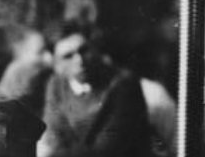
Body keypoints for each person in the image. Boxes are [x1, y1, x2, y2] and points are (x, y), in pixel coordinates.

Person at [37, 21, 151, 157]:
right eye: (68, 56)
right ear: (56, 63)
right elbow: (52, 138)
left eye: (84, 50)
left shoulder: (123, 84)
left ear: (95, 48)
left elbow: (106, 150)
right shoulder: (56, 85)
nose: (80, 60)